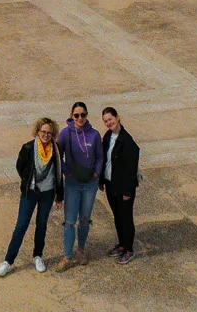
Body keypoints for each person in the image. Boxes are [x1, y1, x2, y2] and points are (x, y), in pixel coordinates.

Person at [0, 116, 62, 276]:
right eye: (43, 132)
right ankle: (8, 261)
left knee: (42, 225)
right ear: (38, 132)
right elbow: (20, 166)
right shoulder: (28, 148)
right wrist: (28, 181)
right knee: (21, 225)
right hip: (30, 193)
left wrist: (59, 195)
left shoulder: (56, 149)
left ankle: (38, 256)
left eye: (49, 133)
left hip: (48, 193)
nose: (46, 135)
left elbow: (59, 172)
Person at [54, 100, 103, 267]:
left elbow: (100, 156)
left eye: (83, 115)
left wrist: (96, 173)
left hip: (90, 184)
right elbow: (57, 155)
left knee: (84, 219)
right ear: (71, 116)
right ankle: (67, 256)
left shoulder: (94, 135)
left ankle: (81, 249)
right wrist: (66, 172)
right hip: (73, 184)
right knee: (69, 221)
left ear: (87, 115)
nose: (80, 118)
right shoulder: (65, 133)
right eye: (76, 115)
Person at [99, 106, 140, 261]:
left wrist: (128, 191)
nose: (109, 123)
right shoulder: (108, 136)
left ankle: (129, 248)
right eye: (106, 121)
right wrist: (102, 180)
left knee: (126, 217)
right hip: (111, 184)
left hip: (123, 187)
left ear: (117, 117)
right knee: (117, 216)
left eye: (110, 119)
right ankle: (122, 244)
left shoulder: (127, 141)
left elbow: (131, 169)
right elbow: (104, 159)